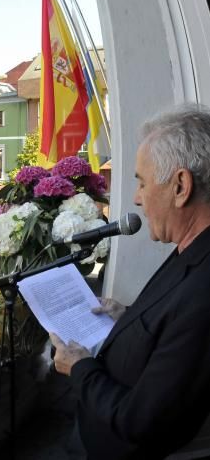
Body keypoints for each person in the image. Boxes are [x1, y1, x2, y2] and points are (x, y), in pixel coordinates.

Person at [51, 105, 210, 460]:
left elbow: (140, 420)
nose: (137, 197)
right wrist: (129, 318)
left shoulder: (205, 290)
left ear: (181, 187)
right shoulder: (190, 246)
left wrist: (79, 367)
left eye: (142, 181)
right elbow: (171, 327)